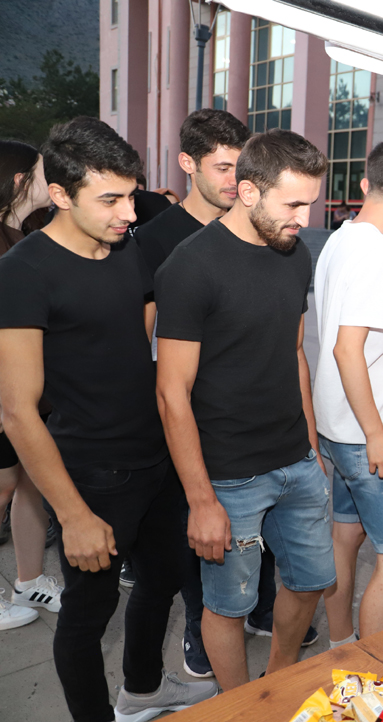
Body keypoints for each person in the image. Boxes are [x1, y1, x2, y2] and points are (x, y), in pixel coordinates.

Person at [0, 117, 217, 722]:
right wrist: (72, 516)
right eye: (111, 199)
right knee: (88, 615)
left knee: (164, 579)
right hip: (94, 474)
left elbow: (137, 342)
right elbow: (17, 412)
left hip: (156, 456)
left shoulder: (129, 248)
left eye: (131, 194)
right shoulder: (23, 273)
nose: (129, 212)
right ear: (62, 195)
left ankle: (142, 692)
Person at [155, 129, 333, 691]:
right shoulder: (191, 266)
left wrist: (311, 446)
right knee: (228, 605)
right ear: (250, 193)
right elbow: (170, 392)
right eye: (294, 204)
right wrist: (201, 499)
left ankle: (275, 684)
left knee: (310, 582)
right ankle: (239, 706)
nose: (304, 218)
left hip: (296, 460)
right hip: (228, 474)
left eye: (310, 204)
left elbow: (294, 356)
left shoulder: (294, 254)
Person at [314, 140, 383, 648]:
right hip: (364, 432)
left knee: (345, 536)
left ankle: (340, 646)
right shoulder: (376, 252)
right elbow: (346, 349)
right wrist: (377, 433)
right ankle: (371, 676)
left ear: (365, 184)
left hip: (334, 425)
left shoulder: (340, 238)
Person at [0, 139, 62, 631]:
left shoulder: (17, 234)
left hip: (25, 394)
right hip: (5, 396)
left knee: (27, 483)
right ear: (20, 181)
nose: (50, 179)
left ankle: (29, 578)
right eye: (43, 172)